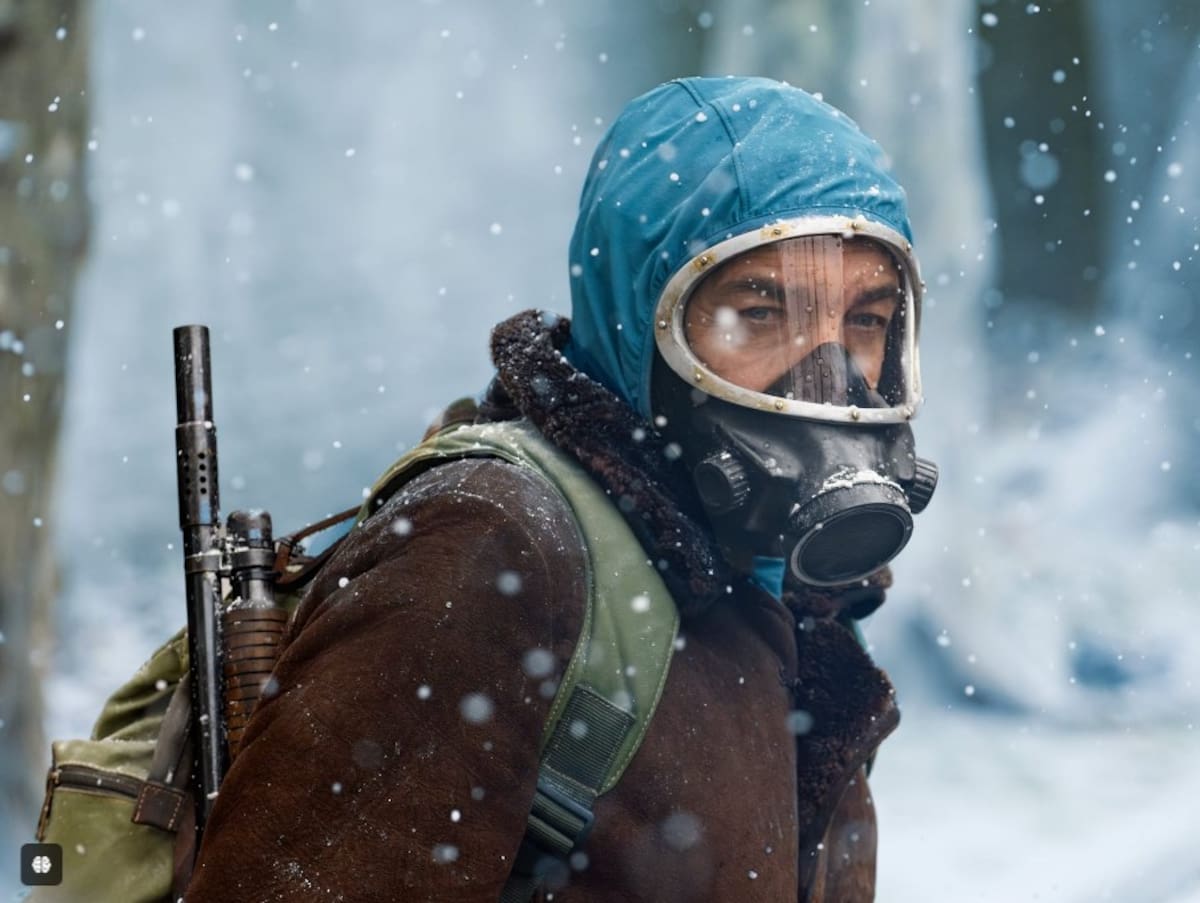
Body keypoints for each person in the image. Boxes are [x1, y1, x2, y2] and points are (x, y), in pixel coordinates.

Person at [183, 76, 937, 902]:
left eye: (864, 320)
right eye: (760, 314)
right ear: (638, 319)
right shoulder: (489, 548)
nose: (829, 383)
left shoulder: (785, 594)